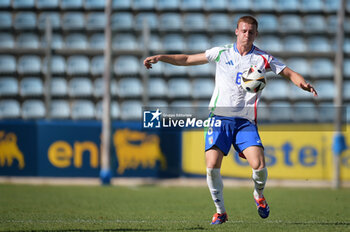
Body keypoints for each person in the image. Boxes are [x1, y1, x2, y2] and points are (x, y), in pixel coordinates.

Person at [143, 15, 318, 225]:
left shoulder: (263, 58)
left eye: (251, 32)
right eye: (243, 31)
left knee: (259, 166)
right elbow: (188, 59)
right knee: (212, 165)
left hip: (245, 122)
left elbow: (288, 72)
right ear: (236, 31)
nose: (247, 35)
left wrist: (303, 84)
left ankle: (258, 195)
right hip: (219, 118)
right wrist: (162, 57)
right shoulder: (221, 52)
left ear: (256, 34)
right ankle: (221, 211)